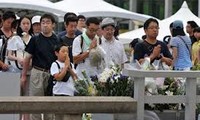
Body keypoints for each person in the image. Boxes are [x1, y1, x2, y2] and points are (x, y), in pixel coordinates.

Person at [21, 13, 59, 120]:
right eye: (43, 23)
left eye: (48, 22)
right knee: (35, 103)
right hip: (37, 72)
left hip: (51, 74)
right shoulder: (35, 39)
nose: (45, 25)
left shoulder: (57, 40)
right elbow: (27, 58)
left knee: (50, 105)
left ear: (53, 25)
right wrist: (23, 76)